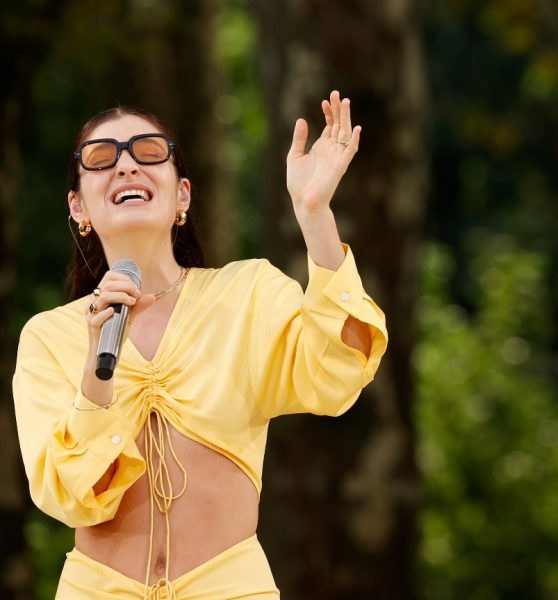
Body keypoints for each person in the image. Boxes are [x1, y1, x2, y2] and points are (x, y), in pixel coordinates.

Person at [13, 90, 388, 599]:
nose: (126, 167)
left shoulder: (246, 293)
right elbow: (71, 498)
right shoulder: (47, 337)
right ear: (78, 205)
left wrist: (314, 212)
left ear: (182, 194)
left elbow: (340, 368)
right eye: (102, 158)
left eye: (148, 152)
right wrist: (95, 377)